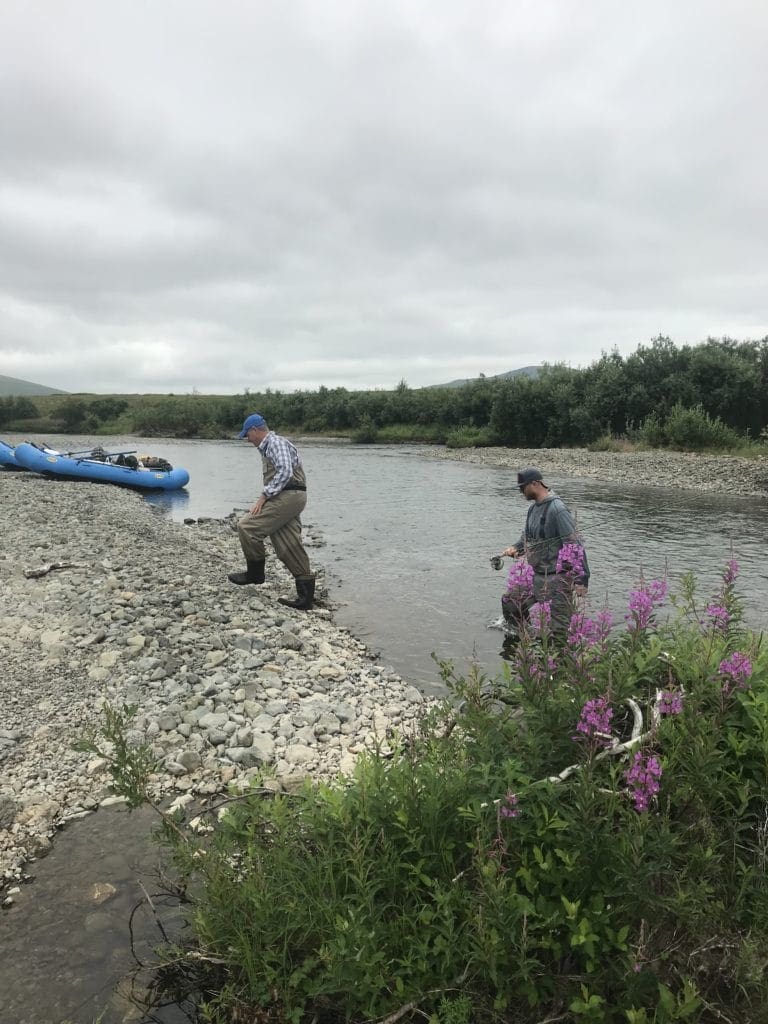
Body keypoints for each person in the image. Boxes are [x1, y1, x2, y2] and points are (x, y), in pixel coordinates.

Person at [228, 413, 316, 610]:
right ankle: (306, 598)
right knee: (288, 544)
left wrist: (263, 496)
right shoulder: (268, 447)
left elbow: (285, 471)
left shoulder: (275, 443)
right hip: (290, 496)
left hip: (289, 495)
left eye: (247, 435)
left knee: (247, 527)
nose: (247, 439)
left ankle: (255, 574)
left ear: (255, 430)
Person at [499, 467, 589, 640]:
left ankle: (556, 650)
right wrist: (516, 547)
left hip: (558, 579)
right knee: (510, 602)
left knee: (559, 632)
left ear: (535, 483)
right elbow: (527, 537)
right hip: (536, 575)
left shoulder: (558, 509)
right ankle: (525, 639)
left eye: (522, 487)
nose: (520, 491)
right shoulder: (533, 510)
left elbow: (575, 544)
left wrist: (582, 579)